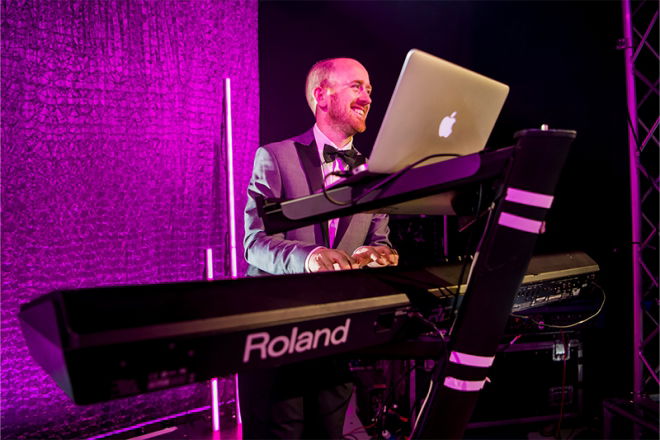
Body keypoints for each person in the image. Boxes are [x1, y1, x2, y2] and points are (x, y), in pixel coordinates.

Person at [240, 57, 399, 439]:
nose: (367, 98)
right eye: (356, 87)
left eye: (369, 90)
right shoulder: (274, 156)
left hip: (336, 339)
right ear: (321, 96)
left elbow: (380, 240)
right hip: (274, 339)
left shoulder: (376, 174)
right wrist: (309, 258)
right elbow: (253, 243)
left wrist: (379, 256)